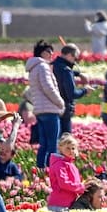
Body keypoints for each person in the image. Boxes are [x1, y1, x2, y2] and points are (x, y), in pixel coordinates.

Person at [26, 40, 64, 169]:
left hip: (40, 110)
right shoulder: (42, 66)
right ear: (42, 53)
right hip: (50, 109)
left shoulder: (33, 67)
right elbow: (48, 88)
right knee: (53, 144)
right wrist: (60, 102)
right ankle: (53, 170)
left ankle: (41, 169)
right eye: (49, 51)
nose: (52, 53)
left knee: (44, 144)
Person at [52, 44, 94, 135]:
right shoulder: (66, 71)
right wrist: (85, 90)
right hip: (64, 108)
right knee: (65, 138)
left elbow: (60, 71)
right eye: (75, 58)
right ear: (69, 55)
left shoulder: (53, 65)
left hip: (51, 107)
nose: (75, 62)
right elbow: (72, 94)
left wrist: (78, 74)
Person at [47, 133, 85, 212]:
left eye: (73, 148)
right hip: (60, 204)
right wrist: (81, 187)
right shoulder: (60, 164)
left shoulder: (70, 164)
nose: (71, 151)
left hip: (68, 202)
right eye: (68, 148)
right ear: (60, 148)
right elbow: (64, 183)